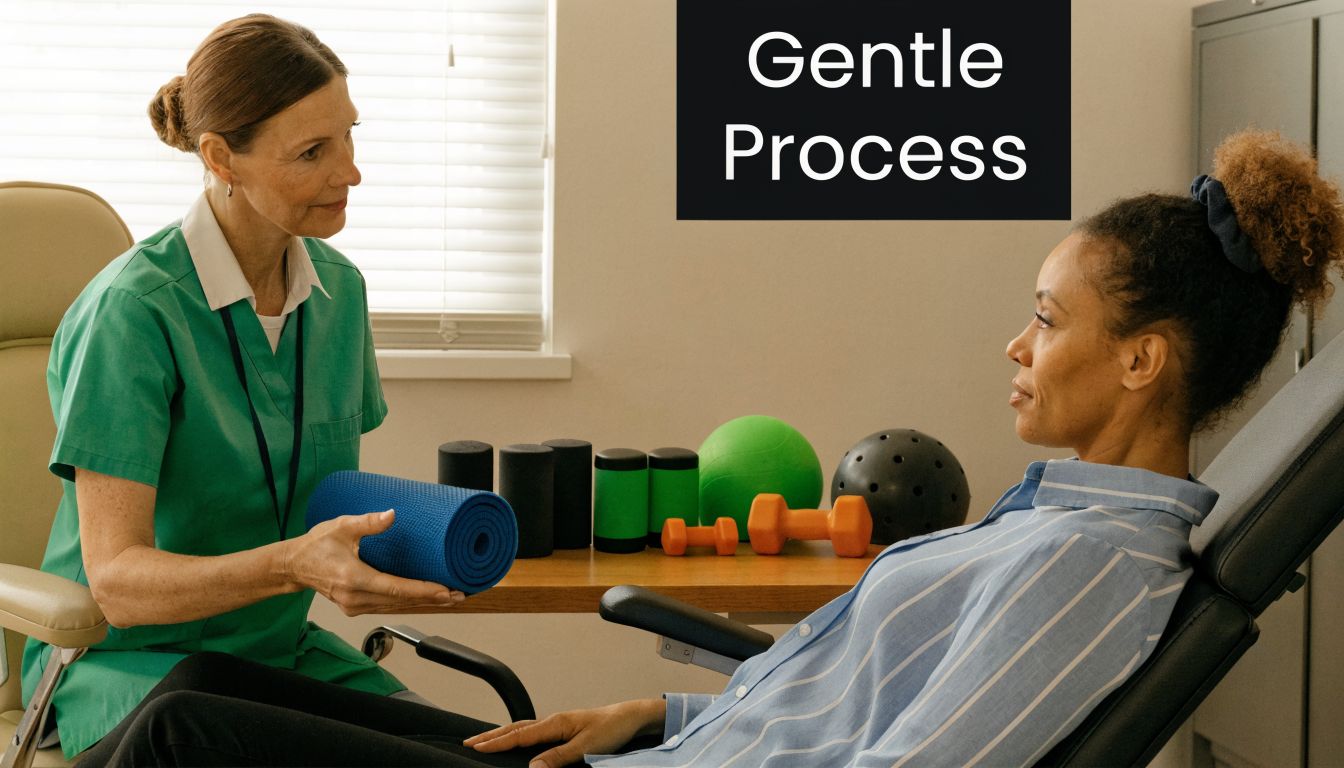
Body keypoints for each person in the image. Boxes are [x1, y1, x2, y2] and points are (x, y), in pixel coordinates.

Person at [65, 128, 1344, 767]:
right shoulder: (1054, 518)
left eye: (1048, 320)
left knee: (190, 745)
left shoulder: (1089, 567)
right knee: (184, 699)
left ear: (1142, 359)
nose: (1015, 345)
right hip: (667, 755)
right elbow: (851, 710)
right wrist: (659, 713)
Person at [20, 14, 468, 762]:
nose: (350, 172)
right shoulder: (135, 312)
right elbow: (119, 586)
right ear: (222, 158)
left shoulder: (338, 292)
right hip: (134, 675)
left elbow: (321, 499)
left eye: (350, 135)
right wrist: (296, 563)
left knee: (503, 752)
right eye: (312, 152)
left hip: (280, 656)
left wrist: (436, 544)